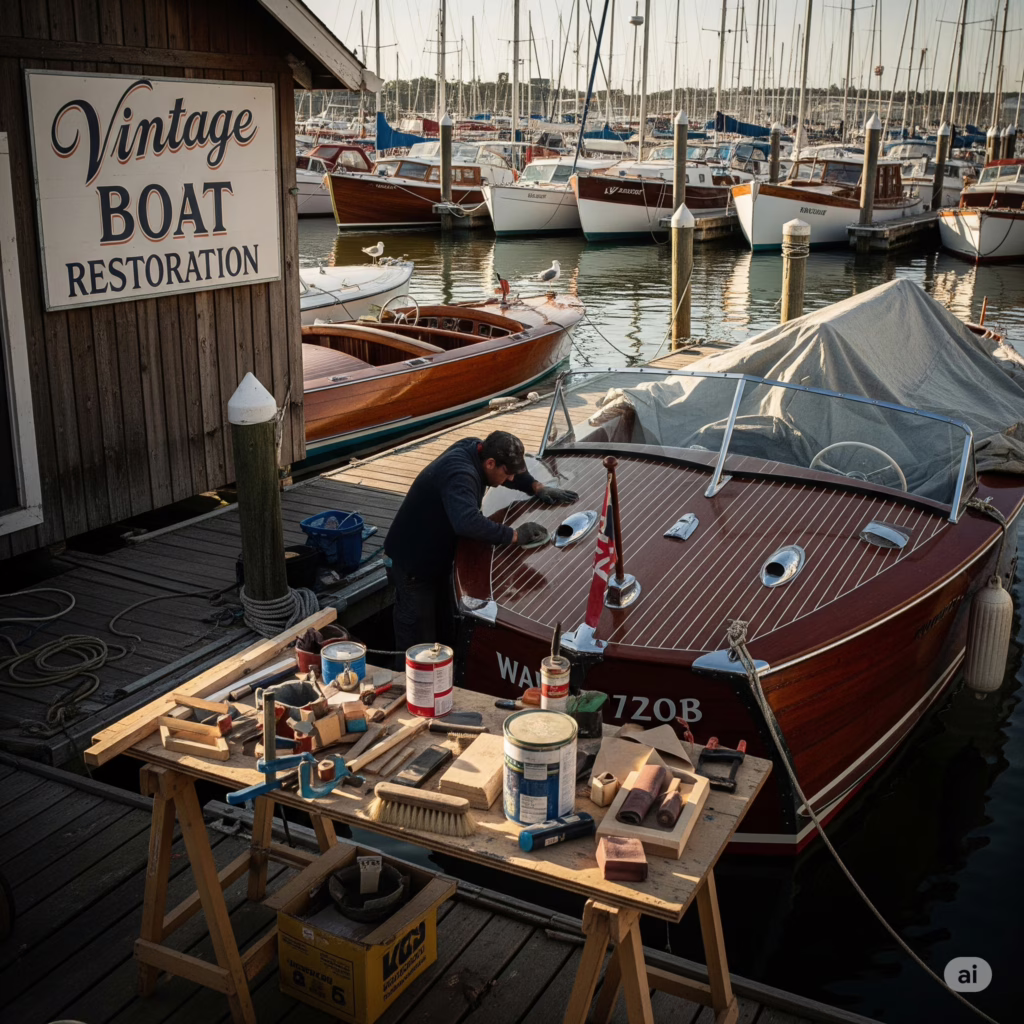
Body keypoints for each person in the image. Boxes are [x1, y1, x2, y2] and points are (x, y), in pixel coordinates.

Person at [383, 430, 577, 664]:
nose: (508, 480)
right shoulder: (461, 474)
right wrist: (515, 535)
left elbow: (512, 475)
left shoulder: (476, 448)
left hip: (436, 561)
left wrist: (537, 487)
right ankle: (405, 690)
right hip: (412, 565)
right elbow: (467, 523)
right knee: (417, 647)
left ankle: (444, 682)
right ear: (490, 463)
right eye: (505, 474)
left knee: (444, 633)